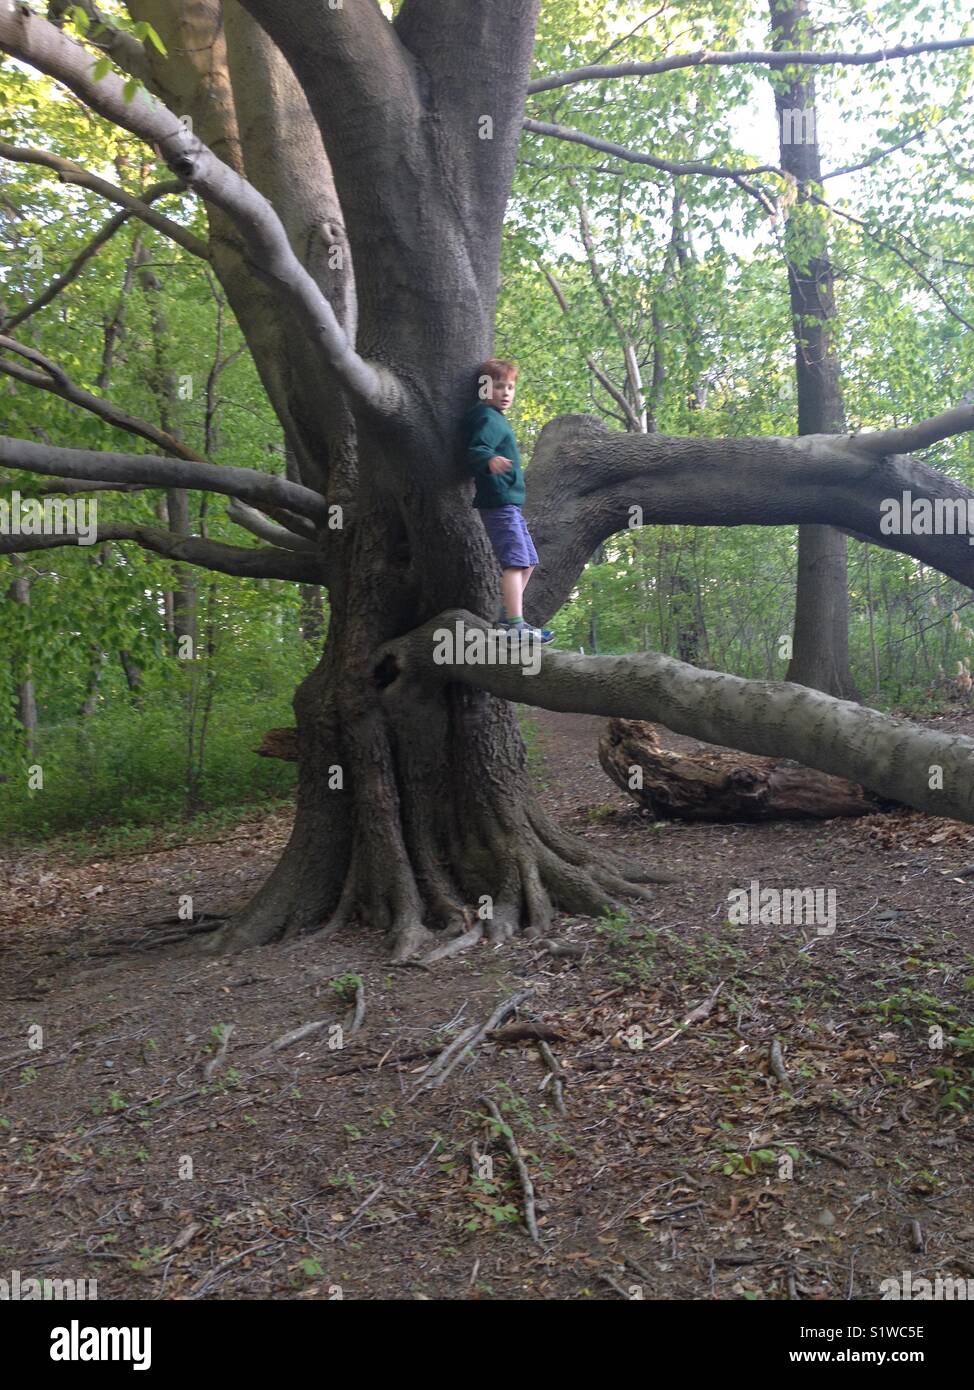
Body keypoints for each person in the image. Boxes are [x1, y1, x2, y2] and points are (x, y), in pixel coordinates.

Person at [462, 357, 554, 643]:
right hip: (498, 502)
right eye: (498, 387)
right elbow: (476, 448)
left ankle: (508, 620)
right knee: (515, 562)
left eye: (510, 387)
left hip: (509, 503)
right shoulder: (487, 418)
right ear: (484, 390)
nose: (506, 393)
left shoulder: (497, 419)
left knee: (528, 562)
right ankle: (515, 626)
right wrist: (489, 460)